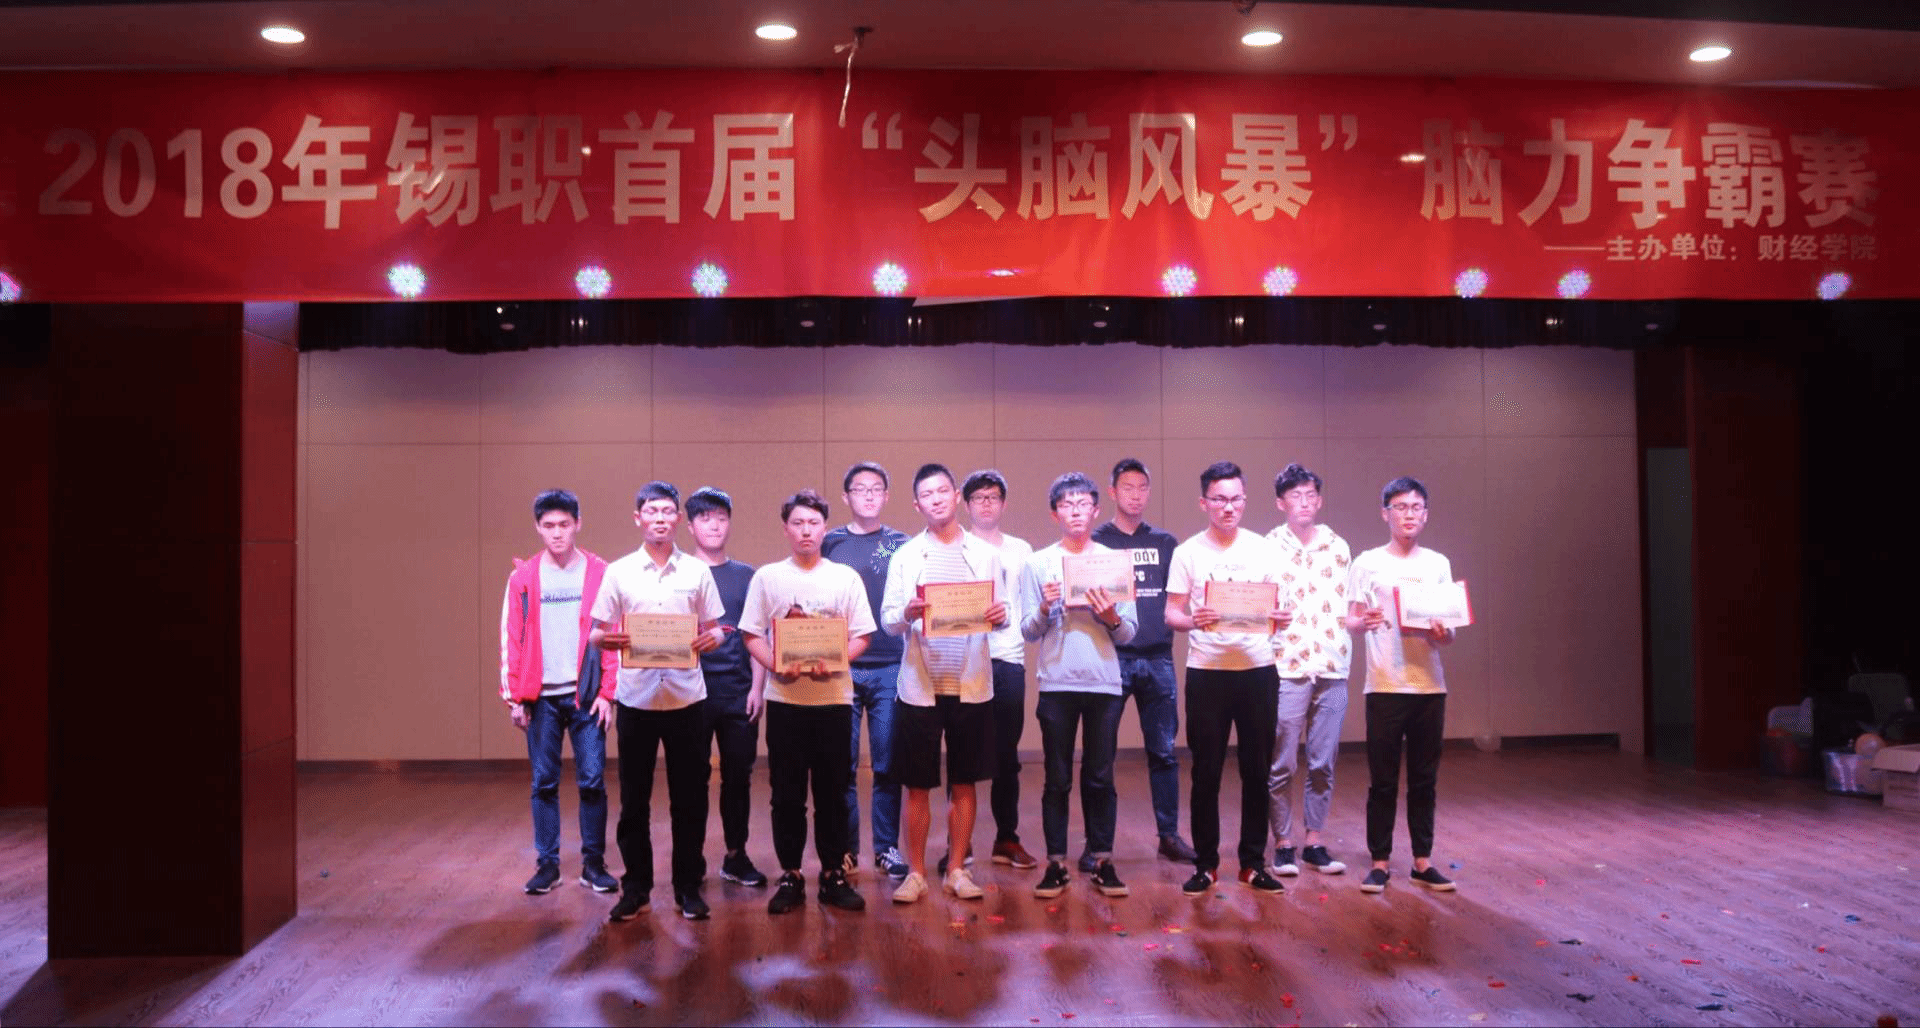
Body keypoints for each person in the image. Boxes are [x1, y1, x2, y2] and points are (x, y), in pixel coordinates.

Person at [588, 482, 728, 922]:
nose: (661, 519)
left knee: (690, 799)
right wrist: (607, 640)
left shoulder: (697, 572)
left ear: (679, 519)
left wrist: (714, 638)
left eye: (668, 511)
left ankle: (688, 887)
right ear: (638, 518)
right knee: (634, 800)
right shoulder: (619, 572)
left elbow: (717, 628)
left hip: (687, 698)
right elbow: (595, 632)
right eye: (652, 511)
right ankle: (636, 888)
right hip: (636, 699)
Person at [740, 490, 877, 914]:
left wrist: (836, 661)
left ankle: (833, 873)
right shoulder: (768, 577)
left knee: (833, 792)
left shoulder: (844, 578)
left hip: (834, 699)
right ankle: (792, 874)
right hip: (785, 701)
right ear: (786, 528)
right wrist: (776, 666)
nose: (806, 531)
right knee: (786, 794)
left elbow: (863, 635)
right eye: (798, 523)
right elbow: (750, 634)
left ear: (824, 528)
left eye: (813, 523)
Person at [879, 463, 1008, 903]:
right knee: (917, 784)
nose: (935, 499)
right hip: (921, 684)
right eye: (926, 495)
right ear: (917, 505)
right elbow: (888, 620)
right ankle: (915, 872)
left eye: (942, 491)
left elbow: (1001, 610)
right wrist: (907, 613)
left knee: (965, 781)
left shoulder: (986, 553)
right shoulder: (905, 555)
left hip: (970, 683)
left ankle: (956, 869)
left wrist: (1000, 615)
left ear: (955, 496)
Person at [1164, 461, 1292, 897]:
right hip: (1207, 673)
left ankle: (1253, 863)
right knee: (1206, 772)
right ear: (1204, 503)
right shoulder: (1188, 552)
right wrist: (1192, 620)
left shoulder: (1264, 550)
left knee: (1257, 771)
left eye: (1236, 498)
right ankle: (1206, 865)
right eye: (1219, 499)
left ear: (1245, 500)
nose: (1228, 507)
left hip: (1258, 671)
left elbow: (1279, 610)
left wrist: (1281, 618)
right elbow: (1171, 613)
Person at [498, 489, 620, 896]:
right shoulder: (523, 577)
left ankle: (593, 864)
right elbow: (511, 637)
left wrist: (608, 693)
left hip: (587, 695)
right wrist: (515, 697)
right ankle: (547, 864)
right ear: (538, 527)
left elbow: (612, 635)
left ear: (577, 524)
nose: (557, 533)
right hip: (541, 697)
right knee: (544, 782)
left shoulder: (599, 573)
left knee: (592, 780)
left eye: (564, 524)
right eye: (548, 525)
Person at [1021, 472, 1136, 899]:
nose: (1075, 511)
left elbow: (1129, 633)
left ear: (1096, 510)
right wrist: (1045, 607)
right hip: (1056, 682)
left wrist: (1111, 616)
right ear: (1055, 514)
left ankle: (1103, 860)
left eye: (1083, 504)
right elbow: (1027, 630)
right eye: (1066, 505)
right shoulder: (1038, 563)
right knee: (1057, 778)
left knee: (1100, 776)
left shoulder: (1113, 561)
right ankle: (1056, 864)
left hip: (1104, 682)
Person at [1350, 476, 1460, 894]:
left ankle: (1422, 861)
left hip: (1429, 685)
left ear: (1426, 514)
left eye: (1416, 507)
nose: (1408, 514)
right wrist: (1363, 622)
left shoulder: (1437, 564)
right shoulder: (1367, 563)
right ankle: (1379, 862)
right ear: (1386, 514)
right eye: (1400, 507)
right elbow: (1351, 620)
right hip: (1384, 683)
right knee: (1382, 780)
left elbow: (1449, 631)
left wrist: (1442, 632)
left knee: (1424, 779)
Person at [1092, 459, 1196, 867]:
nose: (1135, 495)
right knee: (1102, 756)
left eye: (1142, 488)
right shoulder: (1097, 542)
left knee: (1164, 753)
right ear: (1112, 493)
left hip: (1158, 659)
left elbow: (1179, 599)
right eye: (1127, 488)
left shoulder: (1167, 544)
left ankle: (1168, 836)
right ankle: (1098, 845)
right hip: (1111, 658)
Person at [821, 462, 912, 881]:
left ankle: (886, 847)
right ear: (846, 497)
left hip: (890, 665)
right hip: (841, 667)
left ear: (887, 496)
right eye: (860, 489)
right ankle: (845, 849)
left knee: (888, 763)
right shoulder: (829, 542)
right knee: (841, 764)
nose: (869, 495)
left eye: (877, 488)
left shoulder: (902, 544)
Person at [1263, 464, 1353, 878]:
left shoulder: (1339, 546)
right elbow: (1255, 604)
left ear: (1319, 500)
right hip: (1286, 665)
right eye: (1295, 496)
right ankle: (1283, 843)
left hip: (1333, 665)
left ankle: (1314, 840)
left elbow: (1352, 605)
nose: (1304, 502)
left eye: (1310, 495)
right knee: (1281, 762)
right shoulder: (1266, 547)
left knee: (1323, 762)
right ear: (1280, 503)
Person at [684, 486, 768, 890]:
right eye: (705, 518)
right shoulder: (682, 574)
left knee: (738, 777)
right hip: (691, 692)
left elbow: (757, 635)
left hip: (738, 691)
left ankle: (736, 856)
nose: (714, 525)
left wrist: (757, 689)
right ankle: (692, 858)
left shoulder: (748, 576)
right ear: (690, 526)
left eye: (720, 517)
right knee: (692, 778)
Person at [962, 468, 1037, 872]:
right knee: (964, 755)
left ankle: (1006, 838)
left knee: (1007, 755)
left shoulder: (1022, 550)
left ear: (1003, 504)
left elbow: (1028, 605)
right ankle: (960, 843)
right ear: (967, 505)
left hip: (1008, 658)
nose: (986, 504)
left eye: (992, 497)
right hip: (965, 659)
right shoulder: (956, 546)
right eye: (978, 498)